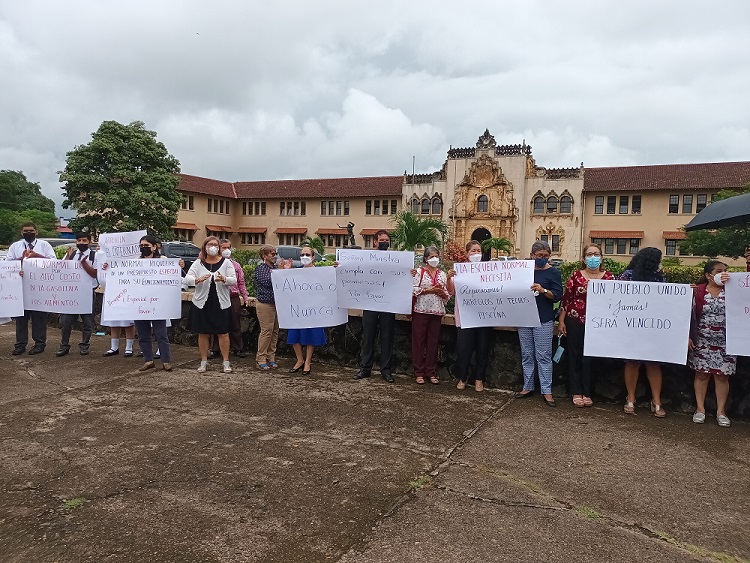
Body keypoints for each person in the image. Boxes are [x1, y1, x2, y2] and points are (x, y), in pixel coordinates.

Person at [558, 244, 614, 407]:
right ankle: (576, 391)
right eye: (589, 254)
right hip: (575, 320)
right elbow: (566, 299)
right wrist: (561, 321)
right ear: (584, 258)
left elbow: (616, 299)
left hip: (598, 324)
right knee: (575, 355)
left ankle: (588, 391)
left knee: (591, 358)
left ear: (601, 257)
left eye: (596, 254)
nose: (593, 257)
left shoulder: (609, 277)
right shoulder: (576, 276)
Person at [618, 247, 667, 417]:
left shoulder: (659, 279)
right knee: (632, 362)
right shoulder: (627, 276)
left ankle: (657, 400)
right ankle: (630, 397)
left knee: (653, 363)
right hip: (632, 326)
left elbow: (668, 301)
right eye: (658, 260)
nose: (660, 264)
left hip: (652, 327)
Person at [514, 241, 563, 407]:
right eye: (539, 255)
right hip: (524, 317)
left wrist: (543, 291)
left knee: (543, 355)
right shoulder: (522, 271)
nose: (542, 258)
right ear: (532, 255)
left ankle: (547, 390)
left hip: (544, 318)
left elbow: (557, 295)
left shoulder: (553, 273)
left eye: (545, 256)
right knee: (527, 354)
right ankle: (527, 386)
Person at [688, 261, 735, 427]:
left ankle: (721, 412)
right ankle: (700, 409)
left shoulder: (733, 291)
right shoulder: (698, 291)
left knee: (722, 376)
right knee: (701, 374)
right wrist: (689, 336)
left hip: (726, 341)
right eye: (719, 271)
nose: (723, 274)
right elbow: (688, 315)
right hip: (702, 340)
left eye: (725, 271)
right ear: (708, 275)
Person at [186, 236, 237, 374]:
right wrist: (197, 279)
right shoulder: (198, 263)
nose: (213, 246)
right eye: (210, 244)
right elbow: (187, 279)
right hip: (202, 303)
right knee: (203, 333)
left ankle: (226, 362)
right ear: (205, 247)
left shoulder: (226, 263)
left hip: (221, 302)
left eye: (215, 244)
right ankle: (203, 361)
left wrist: (224, 279)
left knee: (223, 333)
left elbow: (234, 280)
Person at [446, 240, 492, 392]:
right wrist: (449, 277)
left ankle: (479, 379)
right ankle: (463, 378)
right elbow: (451, 291)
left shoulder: (488, 271)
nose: (476, 253)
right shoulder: (460, 271)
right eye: (473, 251)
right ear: (467, 254)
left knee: (482, 349)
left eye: (479, 251)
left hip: (484, 317)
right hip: (465, 318)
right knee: (463, 350)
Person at [6, 222, 56, 355]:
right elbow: (8, 264)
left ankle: (39, 344)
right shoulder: (15, 246)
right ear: (21, 232)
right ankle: (20, 345)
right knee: (21, 319)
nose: (29, 233)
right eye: (26, 231)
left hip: (39, 289)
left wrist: (36, 256)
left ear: (36, 232)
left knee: (39, 318)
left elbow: (53, 262)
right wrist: (21, 260)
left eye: (31, 230)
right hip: (20, 288)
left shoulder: (44, 245)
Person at [355, 229, 396, 383]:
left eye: (387, 240)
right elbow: (354, 270)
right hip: (370, 303)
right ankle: (365, 368)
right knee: (368, 338)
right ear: (375, 242)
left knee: (387, 338)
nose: (385, 242)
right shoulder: (366, 258)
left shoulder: (395, 259)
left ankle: (386, 370)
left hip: (388, 304)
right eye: (382, 240)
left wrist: (409, 272)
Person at [133, 235, 172, 372]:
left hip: (157, 303)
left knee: (161, 334)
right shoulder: (135, 262)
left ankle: (166, 361)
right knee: (143, 334)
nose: (143, 248)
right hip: (140, 302)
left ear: (155, 247)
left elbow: (172, 276)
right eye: (141, 245)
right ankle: (148, 360)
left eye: (146, 245)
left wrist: (180, 266)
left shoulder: (163, 260)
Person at [411, 246, 449, 385]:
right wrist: (429, 290)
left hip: (437, 311)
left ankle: (431, 372)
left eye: (436, 256)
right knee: (419, 342)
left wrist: (442, 293)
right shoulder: (419, 272)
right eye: (431, 256)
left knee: (433, 343)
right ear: (426, 259)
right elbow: (414, 289)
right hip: (421, 310)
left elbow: (446, 294)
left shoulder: (442, 273)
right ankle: (419, 372)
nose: (435, 259)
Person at [286, 246, 326, 375]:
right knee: (294, 334)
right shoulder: (295, 271)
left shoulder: (320, 272)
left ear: (313, 257)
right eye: (302, 254)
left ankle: (308, 362)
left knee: (311, 335)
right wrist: (285, 271)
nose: (305, 257)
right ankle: (299, 360)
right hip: (297, 308)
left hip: (313, 309)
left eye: (307, 254)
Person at [56, 232, 98, 356]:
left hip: (87, 293)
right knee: (66, 322)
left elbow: (95, 274)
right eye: (79, 240)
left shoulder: (94, 256)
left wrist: (84, 264)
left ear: (89, 242)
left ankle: (84, 346)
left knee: (87, 322)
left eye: (84, 241)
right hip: (71, 294)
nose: (81, 243)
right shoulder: (72, 254)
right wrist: (68, 259)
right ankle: (64, 346)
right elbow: (63, 270)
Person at [209, 239, 250, 359]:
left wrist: (245, 296)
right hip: (218, 296)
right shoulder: (213, 264)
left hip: (233, 297)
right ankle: (215, 349)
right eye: (223, 248)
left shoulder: (236, 265)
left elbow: (241, 282)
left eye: (228, 247)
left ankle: (238, 348)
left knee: (235, 323)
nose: (226, 250)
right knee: (216, 323)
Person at [254, 244, 291, 370]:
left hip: (277, 304)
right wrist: (280, 273)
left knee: (275, 331)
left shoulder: (276, 268)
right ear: (264, 256)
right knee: (266, 331)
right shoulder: (261, 269)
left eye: (275, 253)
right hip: (265, 304)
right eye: (272, 254)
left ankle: (271, 356)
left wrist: (285, 271)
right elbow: (268, 282)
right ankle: (260, 358)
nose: (275, 256)